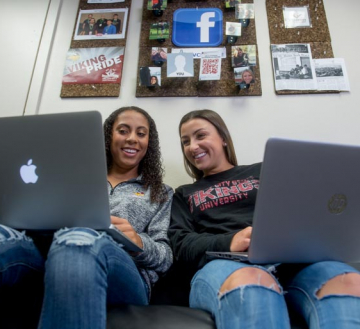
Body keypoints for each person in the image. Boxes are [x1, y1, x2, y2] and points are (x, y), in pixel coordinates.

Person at [169, 108, 360, 329]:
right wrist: (230, 241)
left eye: (200, 135)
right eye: (185, 141)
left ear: (223, 138)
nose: (192, 146)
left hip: (293, 265)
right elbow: (181, 244)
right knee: (252, 282)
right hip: (225, 265)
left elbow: (302, 212)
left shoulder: (264, 170)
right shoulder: (184, 193)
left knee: (349, 282)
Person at [0, 106, 173, 329]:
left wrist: (137, 242)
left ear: (149, 143)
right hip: (50, 254)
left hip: (123, 272)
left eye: (141, 133)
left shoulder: (160, 192)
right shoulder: (70, 177)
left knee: (79, 238)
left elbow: (166, 258)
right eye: (123, 130)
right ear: (109, 136)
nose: (132, 139)